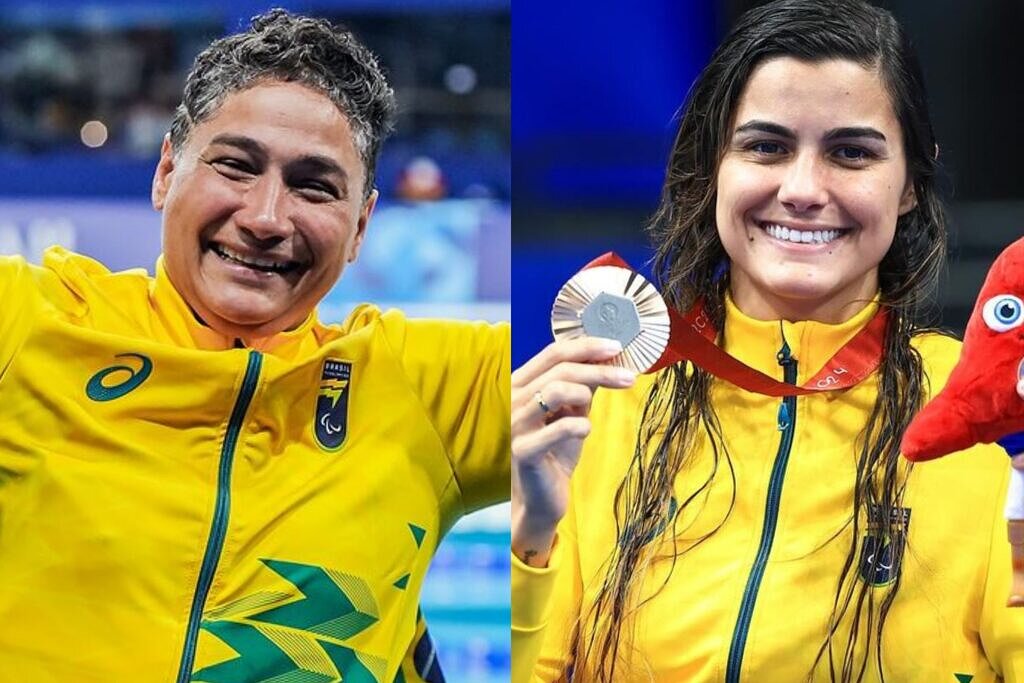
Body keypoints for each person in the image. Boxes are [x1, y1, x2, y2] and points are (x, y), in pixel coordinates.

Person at [511, 1, 1024, 681]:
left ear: (908, 183)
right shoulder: (606, 398)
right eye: (766, 146)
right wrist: (529, 536)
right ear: (714, 164)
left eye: (851, 153)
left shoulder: (984, 422)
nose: (804, 188)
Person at [0, 10, 509, 683]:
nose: (267, 218)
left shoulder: (425, 386)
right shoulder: (31, 323)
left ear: (359, 227)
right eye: (236, 166)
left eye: (314, 186)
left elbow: (632, 347)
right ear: (165, 173)